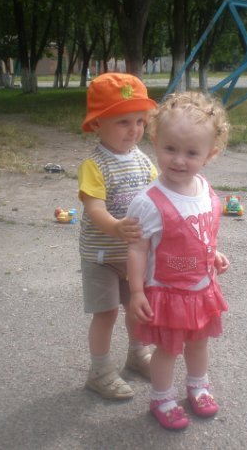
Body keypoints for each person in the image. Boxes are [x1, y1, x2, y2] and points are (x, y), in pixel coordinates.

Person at [126, 91, 230, 430]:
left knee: (199, 343)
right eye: (170, 148)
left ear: (210, 154)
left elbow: (201, 231)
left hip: (201, 290)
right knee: (168, 350)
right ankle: (162, 398)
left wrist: (213, 253)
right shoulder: (148, 202)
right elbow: (137, 249)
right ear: (156, 141)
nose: (179, 160)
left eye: (191, 153)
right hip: (168, 293)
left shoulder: (204, 188)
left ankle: (198, 386)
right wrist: (137, 292)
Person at [78, 72, 158, 400]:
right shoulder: (94, 164)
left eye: (140, 121)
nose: (134, 130)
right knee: (107, 313)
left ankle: (138, 355)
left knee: (137, 309)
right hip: (101, 257)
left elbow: (158, 197)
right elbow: (94, 207)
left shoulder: (143, 160)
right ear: (98, 123)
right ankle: (99, 371)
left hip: (134, 256)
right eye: (123, 122)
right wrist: (114, 226)